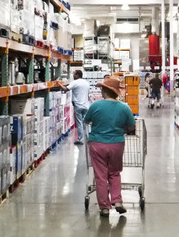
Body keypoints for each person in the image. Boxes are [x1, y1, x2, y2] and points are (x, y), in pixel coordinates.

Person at [84, 77, 136, 217]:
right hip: (116, 144)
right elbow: (131, 126)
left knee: (101, 176)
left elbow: (86, 120)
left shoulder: (95, 106)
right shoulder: (124, 107)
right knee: (114, 173)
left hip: (97, 144)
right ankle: (117, 201)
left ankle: (104, 207)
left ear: (104, 91)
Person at [58, 70, 90, 145]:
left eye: (74, 74)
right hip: (86, 105)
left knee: (79, 123)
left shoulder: (75, 82)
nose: (73, 75)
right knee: (86, 123)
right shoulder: (86, 83)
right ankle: (89, 138)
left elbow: (65, 89)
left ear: (77, 75)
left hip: (78, 105)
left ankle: (80, 139)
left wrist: (59, 84)